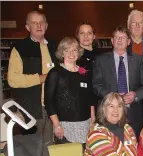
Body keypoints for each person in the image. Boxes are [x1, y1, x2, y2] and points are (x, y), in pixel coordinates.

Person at [7, 11, 56, 144]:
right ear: (28, 27)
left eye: (41, 22)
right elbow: (12, 79)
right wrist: (41, 78)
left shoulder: (54, 46)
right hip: (32, 107)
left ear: (46, 25)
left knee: (51, 145)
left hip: (53, 106)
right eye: (34, 23)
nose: (38, 25)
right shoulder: (19, 48)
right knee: (32, 146)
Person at [92, 25, 143, 138]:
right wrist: (113, 97)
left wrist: (135, 95)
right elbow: (96, 85)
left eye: (123, 38)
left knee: (132, 145)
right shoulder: (101, 60)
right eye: (117, 37)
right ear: (112, 41)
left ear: (128, 41)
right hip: (108, 112)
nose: (119, 40)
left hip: (133, 111)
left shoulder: (138, 60)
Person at [44, 37, 95, 144]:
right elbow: (49, 101)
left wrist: (92, 121)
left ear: (79, 52)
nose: (71, 53)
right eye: (67, 50)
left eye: (74, 50)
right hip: (64, 125)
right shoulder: (55, 73)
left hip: (85, 123)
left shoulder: (84, 73)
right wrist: (56, 124)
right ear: (62, 53)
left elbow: (90, 98)